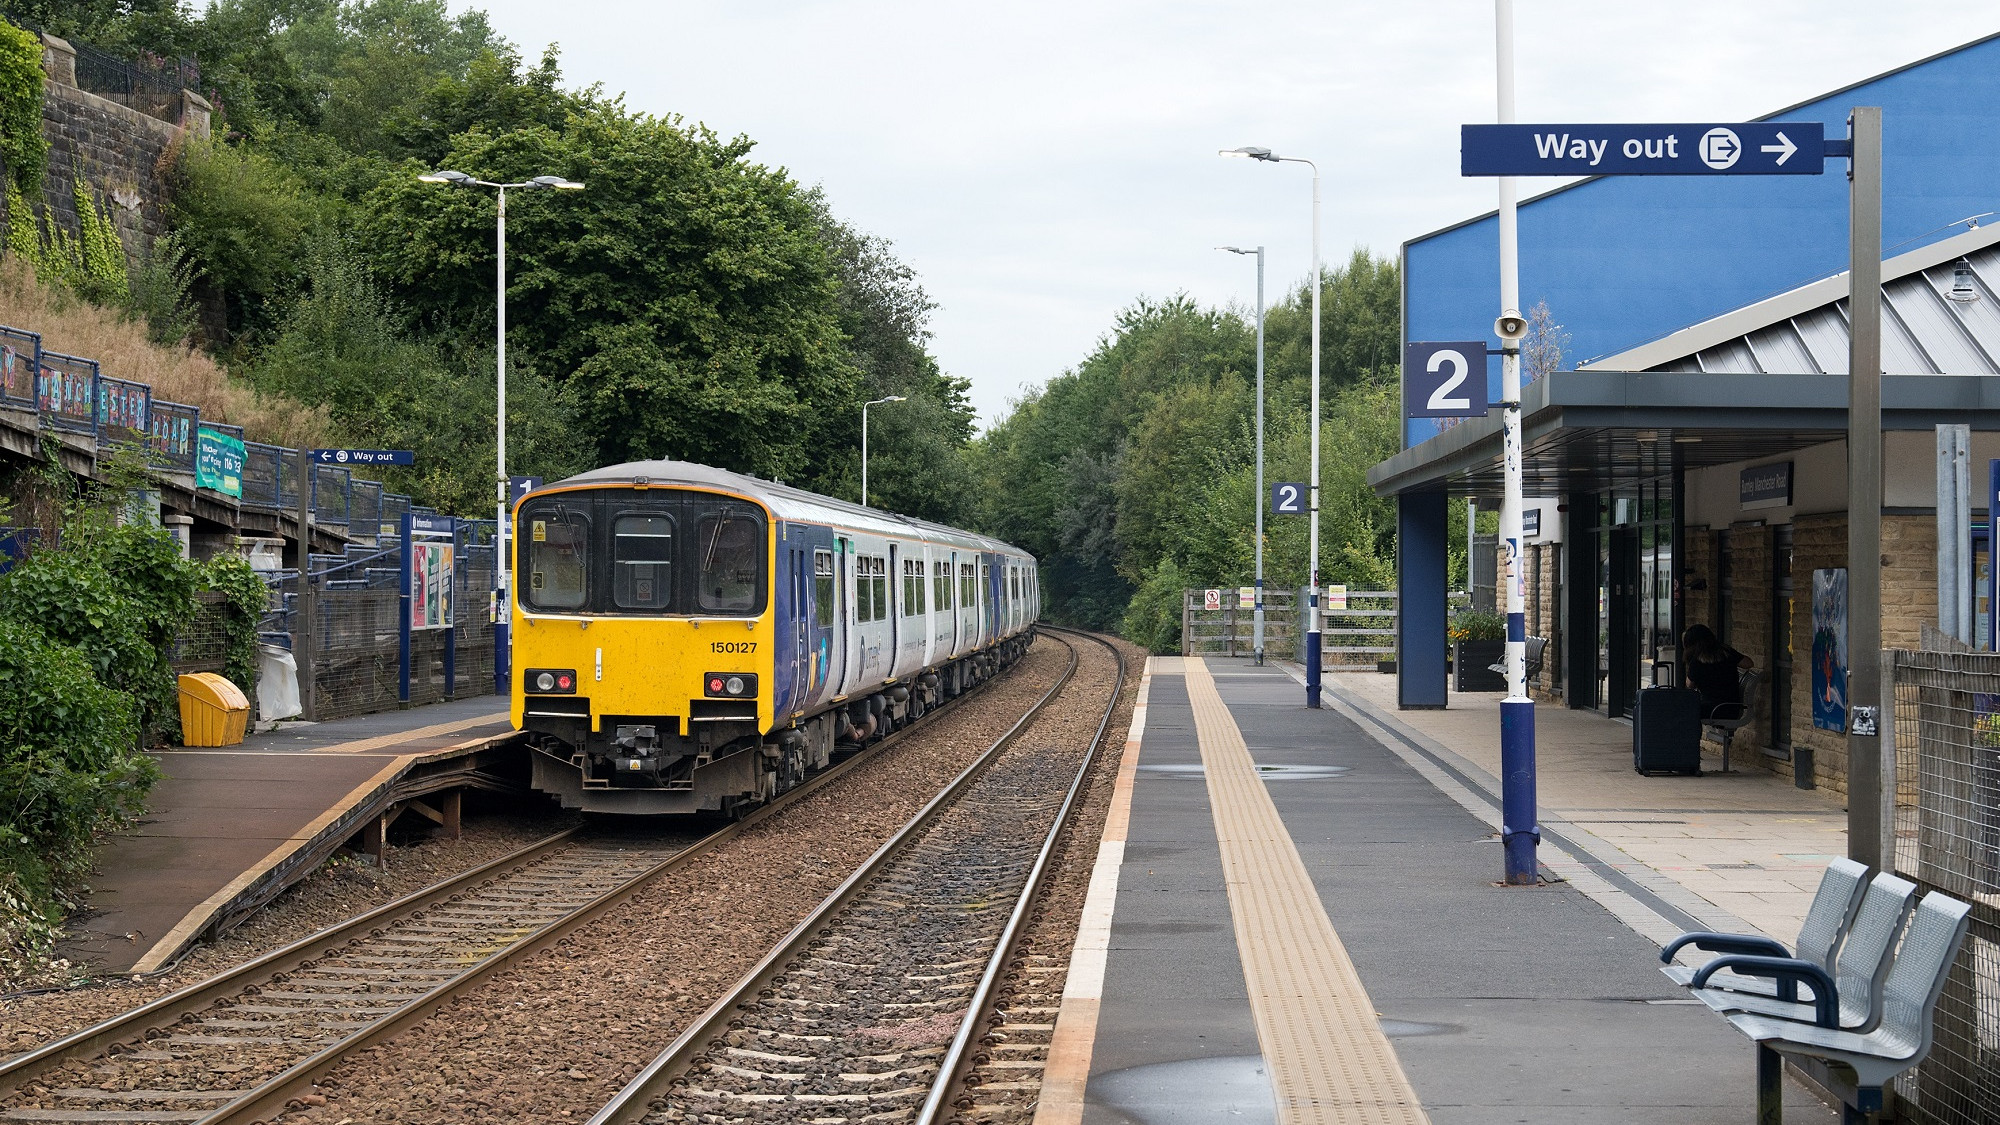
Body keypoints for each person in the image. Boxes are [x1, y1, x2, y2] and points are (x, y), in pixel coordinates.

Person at [1683, 624, 1752, 718]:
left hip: (1713, 710)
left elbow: (1689, 685)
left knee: (1682, 709)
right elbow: (1748, 663)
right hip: (1733, 709)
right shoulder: (1726, 652)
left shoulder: (1697, 661)